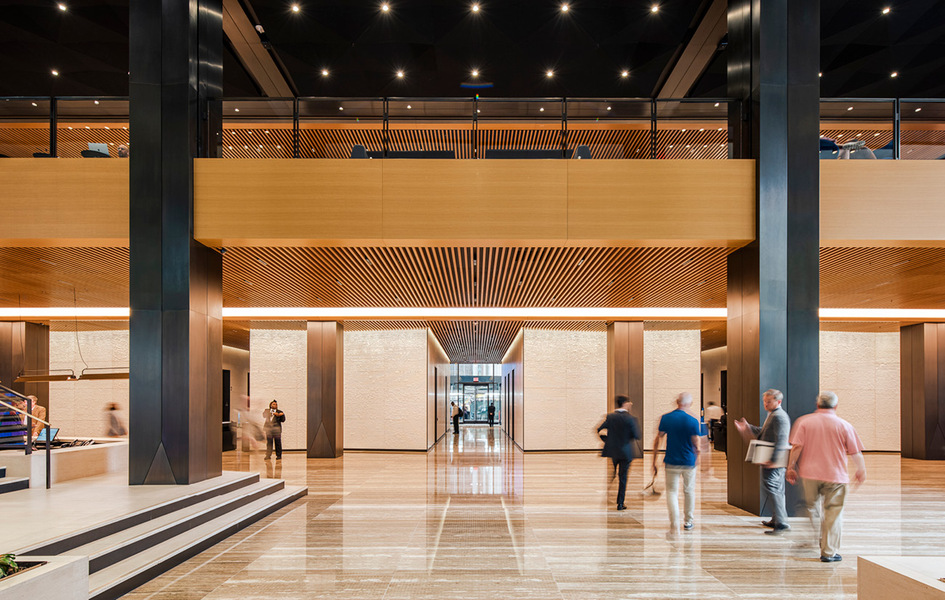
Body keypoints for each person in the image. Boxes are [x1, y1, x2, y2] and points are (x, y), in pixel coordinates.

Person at [786, 391, 866, 563]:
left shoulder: (804, 422)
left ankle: (814, 537)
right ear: (836, 406)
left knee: (811, 508)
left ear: (817, 405)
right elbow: (855, 452)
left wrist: (790, 467)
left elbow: (797, 447)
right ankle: (828, 551)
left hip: (810, 475)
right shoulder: (844, 425)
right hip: (835, 477)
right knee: (833, 514)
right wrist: (861, 469)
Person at [733, 389, 792, 533]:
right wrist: (748, 427)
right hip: (771, 460)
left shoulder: (779, 417)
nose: (765, 404)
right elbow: (763, 432)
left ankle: (781, 523)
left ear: (778, 401)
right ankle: (777, 519)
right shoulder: (773, 415)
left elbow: (782, 440)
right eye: (764, 401)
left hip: (773, 461)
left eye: (769, 401)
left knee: (773, 490)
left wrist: (773, 460)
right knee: (775, 489)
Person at [652, 392, 703, 533]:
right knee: (689, 491)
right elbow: (697, 444)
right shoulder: (693, 420)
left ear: (677, 402)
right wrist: (698, 459)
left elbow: (658, 439)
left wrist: (654, 461)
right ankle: (688, 521)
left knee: (671, 492)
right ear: (689, 404)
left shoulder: (666, 418)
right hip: (688, 461)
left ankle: (674, 522)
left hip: (671, 461)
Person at [596, 395, 642, 511]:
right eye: (629, 402)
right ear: (625, 404)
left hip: (613, 451)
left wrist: (607, 441)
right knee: (623, 477)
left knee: (613, 472)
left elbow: (599, 429)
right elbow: (637, 435)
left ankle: (608, 494)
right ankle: (620, 503)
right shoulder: (631, 419)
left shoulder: (610, 417)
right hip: (626, 452)